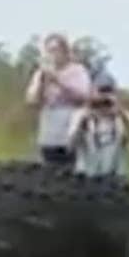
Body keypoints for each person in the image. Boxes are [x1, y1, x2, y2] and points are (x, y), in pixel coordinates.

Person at [25, 33, 92, 167]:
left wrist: (58, 81)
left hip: (71, 125)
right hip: (49, 128)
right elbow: (31, 100)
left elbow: (84, 96)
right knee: (49, 166)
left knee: (72, 167)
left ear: (65, 51)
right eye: (49, 51)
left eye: (55, 50)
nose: (52, 54)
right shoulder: (41, 73)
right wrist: (41, 83)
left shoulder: (78, 71)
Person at [67, 82, 129, 177]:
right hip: (86, 175)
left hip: (115, 174)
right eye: (99, 101)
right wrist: (82, 123)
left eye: (107, 102)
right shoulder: (80, 115)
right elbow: (70, 146)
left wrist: (121, 114)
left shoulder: (123, 117)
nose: (103, 106)